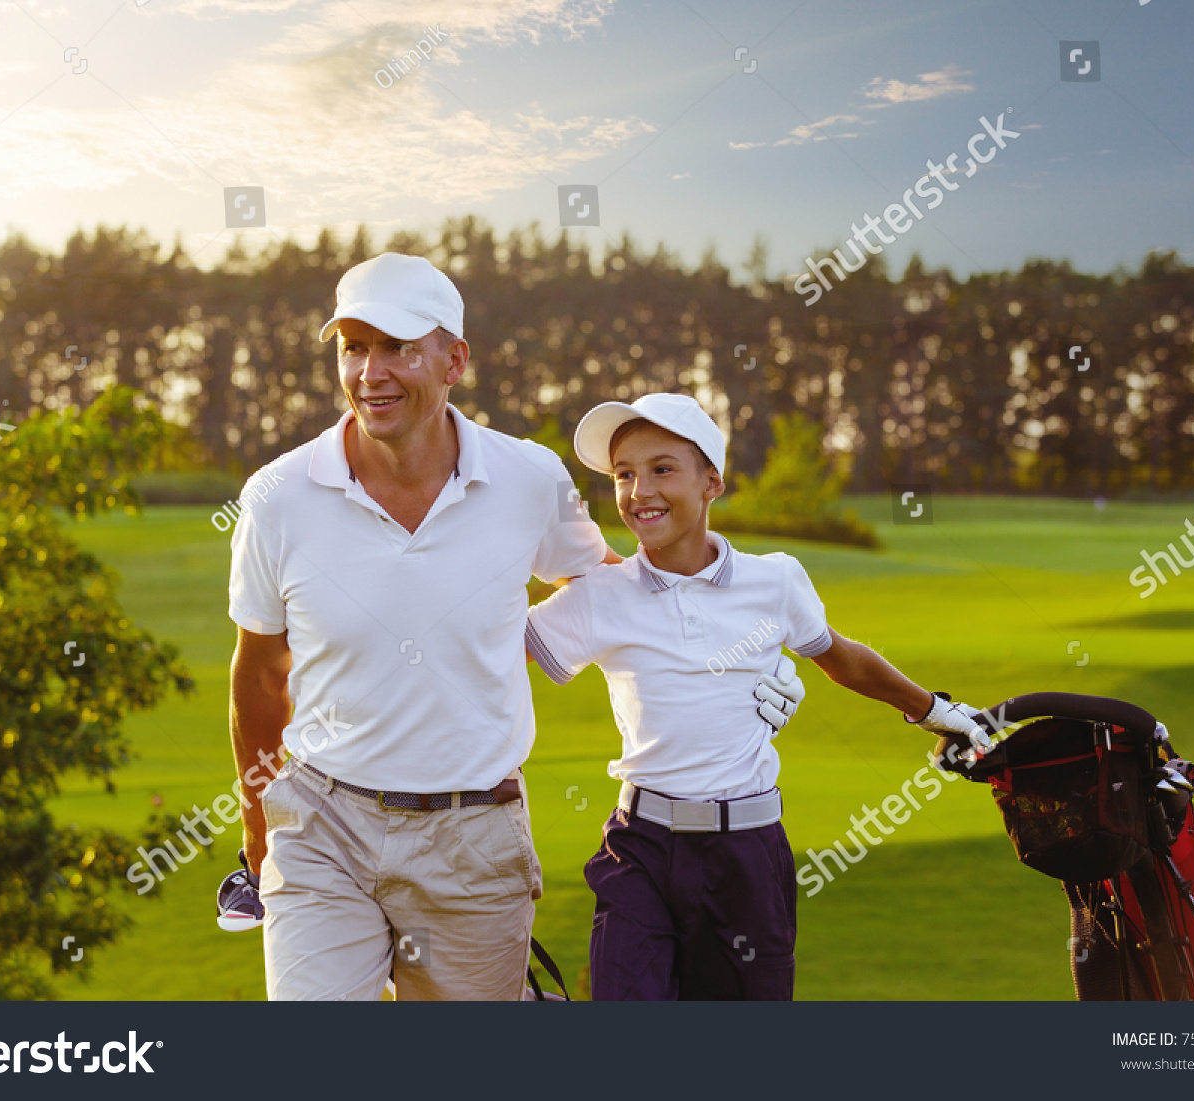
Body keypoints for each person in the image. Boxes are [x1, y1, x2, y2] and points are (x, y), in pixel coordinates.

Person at [222, 253, 806, 1000]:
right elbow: (259, 673)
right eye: (354, 346)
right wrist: (257, 829)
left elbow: (613, 588)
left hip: (475, 837)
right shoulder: (276, 497)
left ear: (455, 359)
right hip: (322, 824)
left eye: (398, 346)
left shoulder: (529, 479)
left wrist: (740, 654)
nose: (372, 371)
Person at [523, 393, 995, 1000]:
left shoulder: (774, 580)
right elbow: (493, 662)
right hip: (638, 847)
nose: (639, 490)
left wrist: (932, 710)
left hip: (746, 854)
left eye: (662, 468)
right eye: (624, 474)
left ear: (712, 481)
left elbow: (840, 657)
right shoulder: (600, 595)